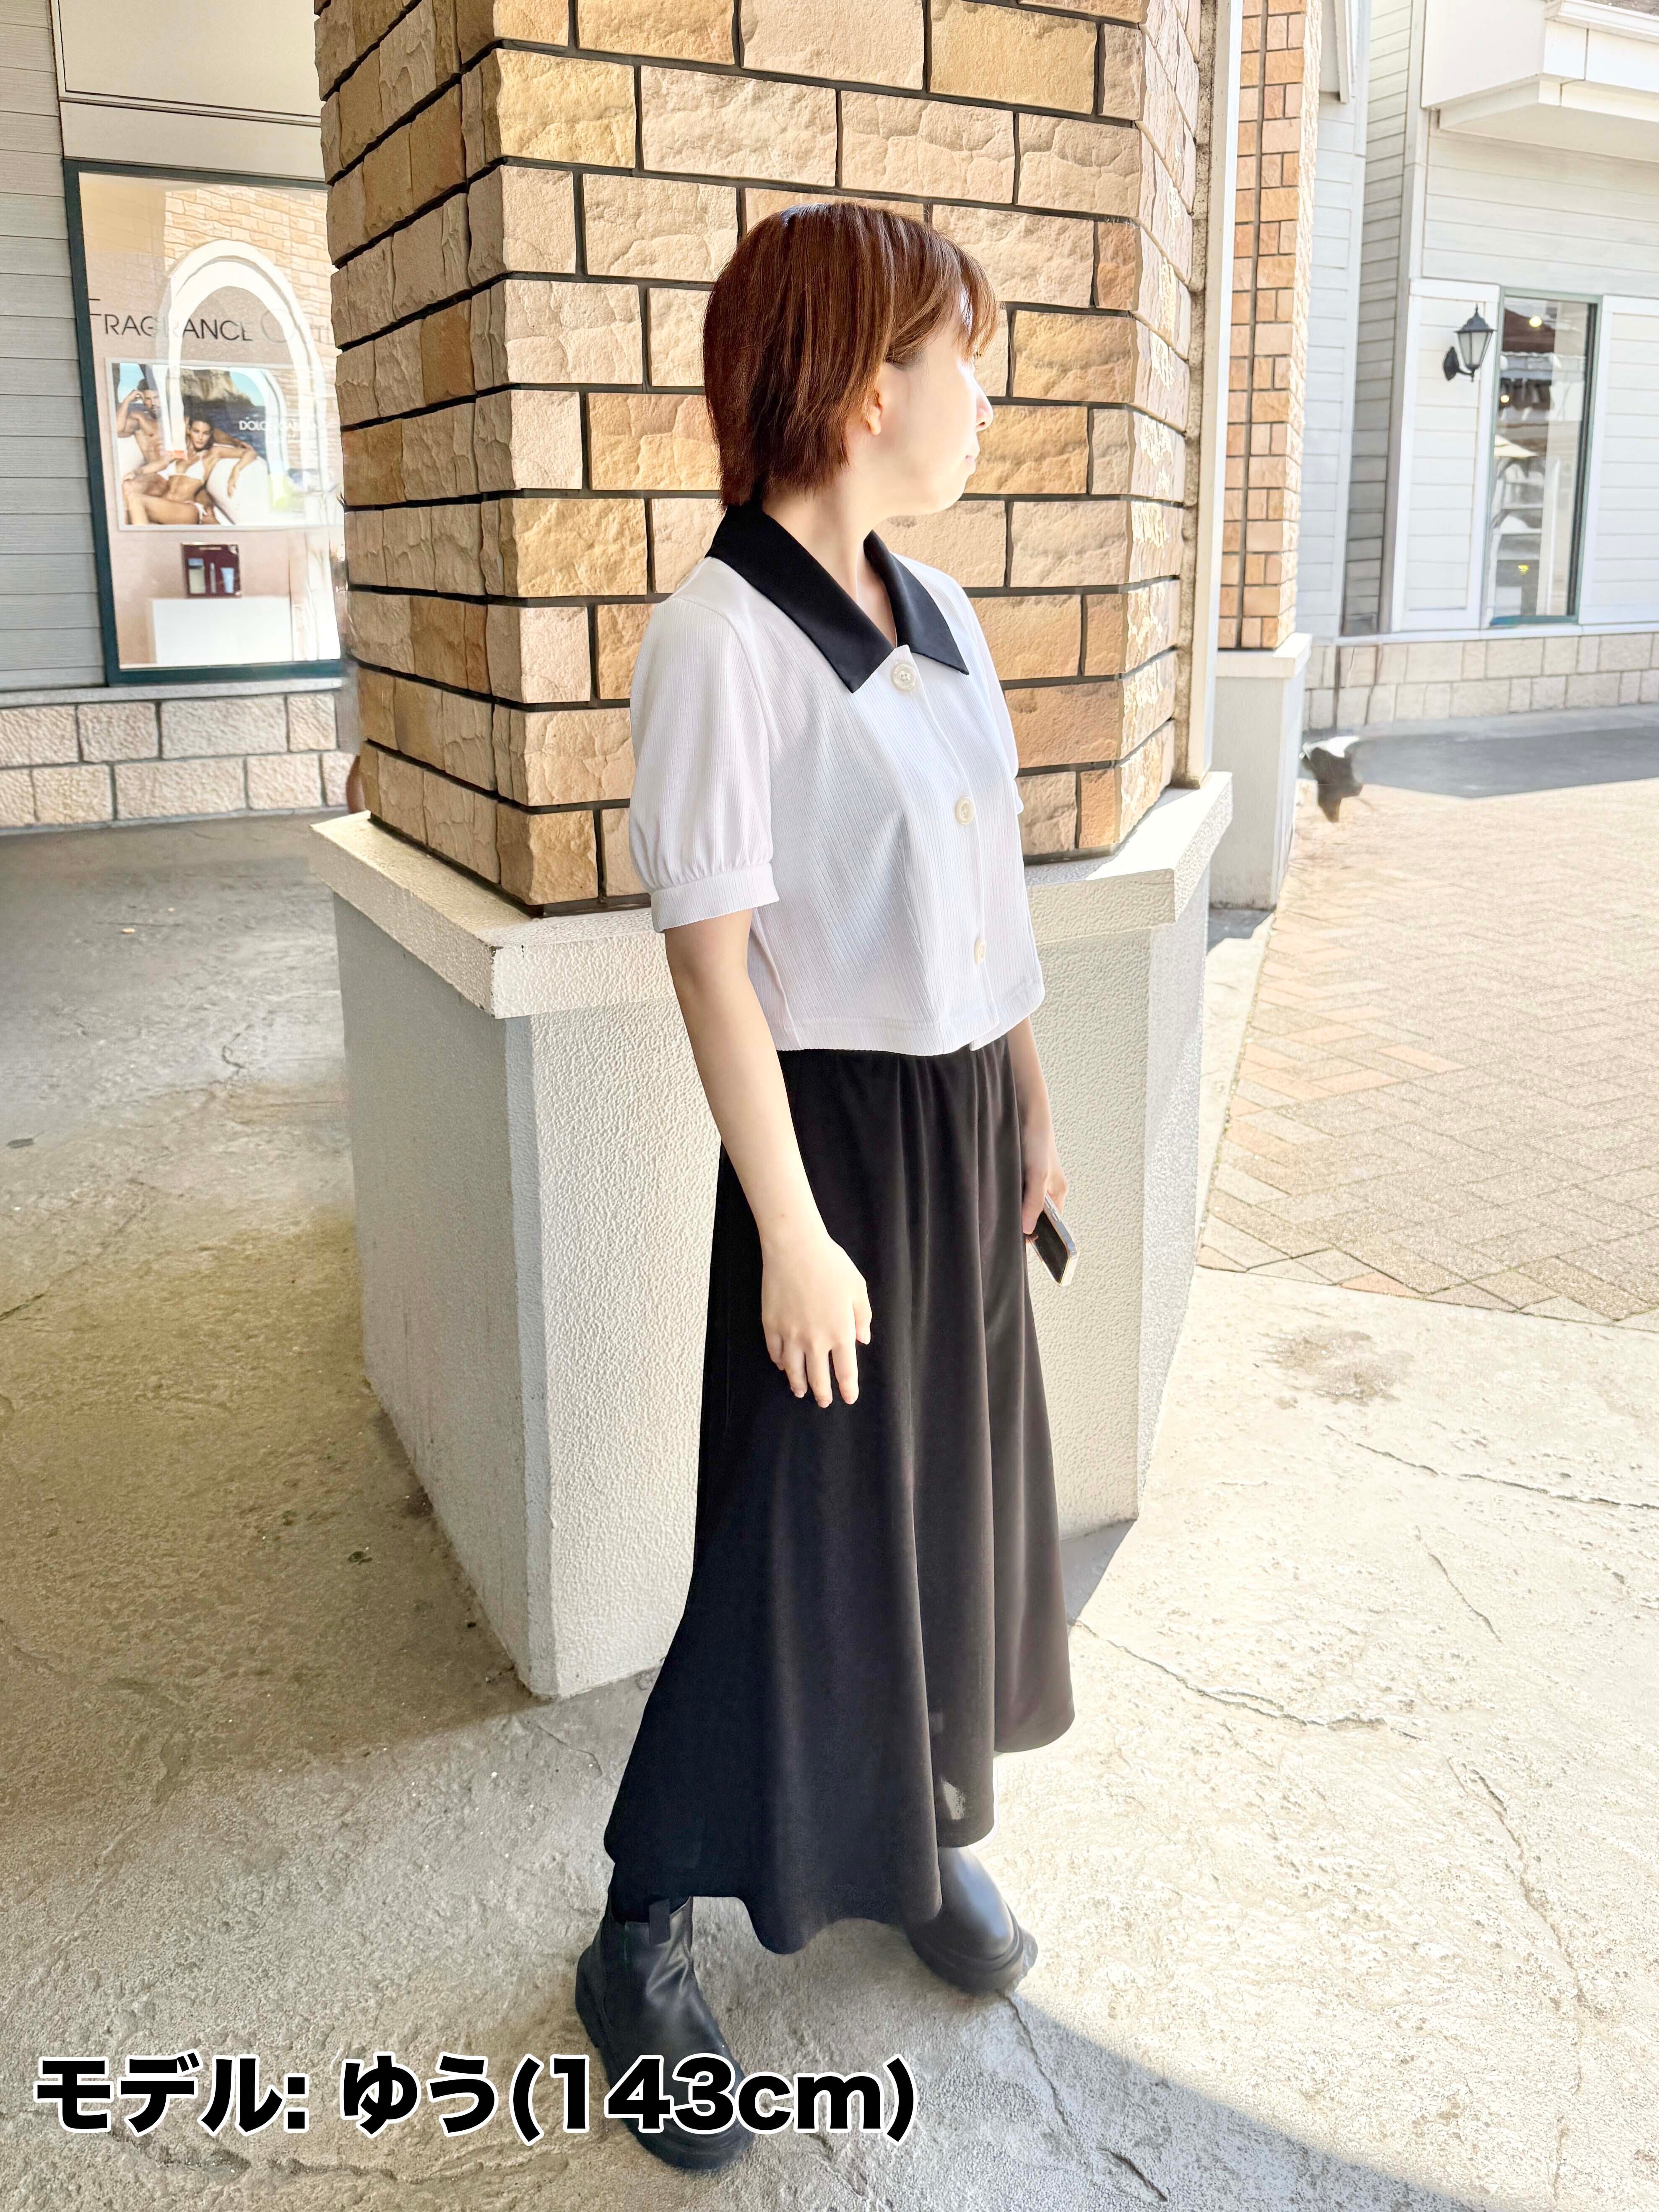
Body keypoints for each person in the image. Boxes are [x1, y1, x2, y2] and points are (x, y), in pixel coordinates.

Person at [574, 203, 1075, 2174]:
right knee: (793, 1542)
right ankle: (638, 1927)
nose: (981, 403)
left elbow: (989, 894)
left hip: (958, 1132)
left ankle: (910, 1843)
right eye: (964, 365)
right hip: (830, 1147)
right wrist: (789, 1227)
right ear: (868, 387)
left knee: (937, 1502)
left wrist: (1029, 1101)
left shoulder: (934, 607)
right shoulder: (720, 639)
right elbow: (711, 959)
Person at [122, 413, 255, 527]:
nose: (201, 438)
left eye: (205, 433)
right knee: (127, 496)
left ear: (210, 435)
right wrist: (136, 473)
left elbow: (250, 453)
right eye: (196, 432)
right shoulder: (179, 454)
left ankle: (139, 546)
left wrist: (237, 469)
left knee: (136, 500)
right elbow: (156, 465)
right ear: (189, 431)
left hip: (188, 509)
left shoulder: (212, 454)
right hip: (168, 505)